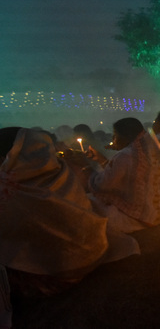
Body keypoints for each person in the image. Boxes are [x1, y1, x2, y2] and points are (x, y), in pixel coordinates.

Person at [0, 127, 138, 318]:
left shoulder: (11, 191)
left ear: (10, 156)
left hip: (53, 276)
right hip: (89, 256)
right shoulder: (62, 173)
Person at [86, 118, 160, 233]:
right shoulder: (149, 148)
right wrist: (101, 159)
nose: (113, 139)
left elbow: (102, 185)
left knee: (89, 202)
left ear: (126, 136)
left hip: (137, 219)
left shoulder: (125, 155)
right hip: (155, 213)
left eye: (115, 135)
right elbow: (121, 173)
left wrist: (85, 167)